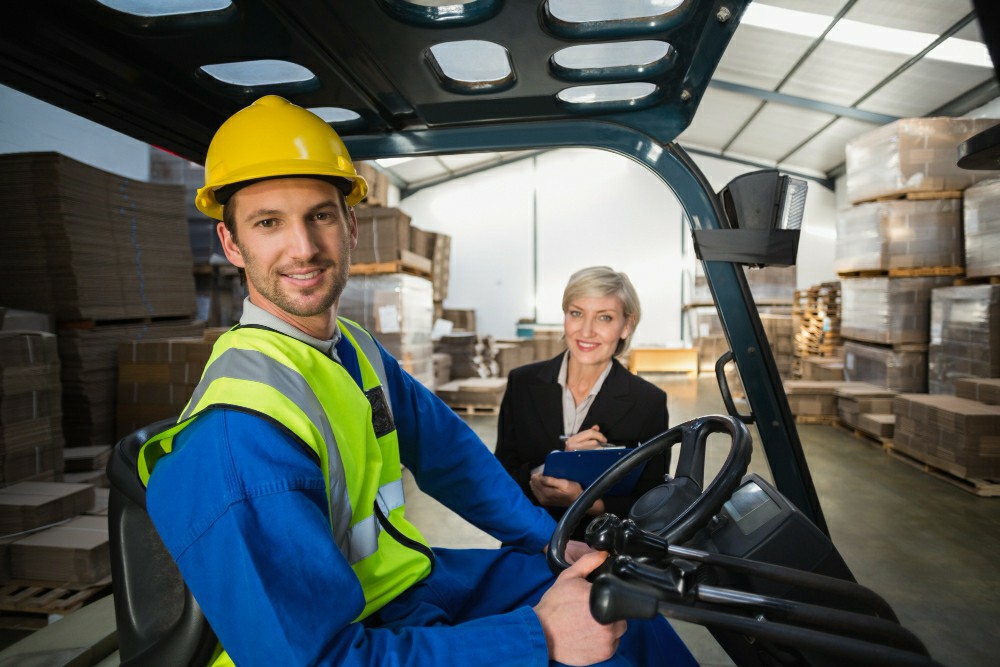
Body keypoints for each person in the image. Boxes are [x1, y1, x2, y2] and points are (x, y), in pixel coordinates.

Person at [136, 96, 696, 667]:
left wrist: (550, 541)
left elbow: (452, 457)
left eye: (320, 216)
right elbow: (317, 660)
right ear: (232, 244)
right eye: (268, 223)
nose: (302, 248)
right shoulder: (237, 437)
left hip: (406, 588)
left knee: (614, 601)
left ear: (351, 227)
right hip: (355, 637)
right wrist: (538, 637)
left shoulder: (354, 350)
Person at [495, 267, 670, 541]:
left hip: (601, 550)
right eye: (576, 313)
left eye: (604, 317)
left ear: (626, 326)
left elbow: (652, 504)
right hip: (528, 542)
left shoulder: (648, 402)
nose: (586, 331)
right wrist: (543, 473)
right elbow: (501, 474)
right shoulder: (522, 384)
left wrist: (588, 502)